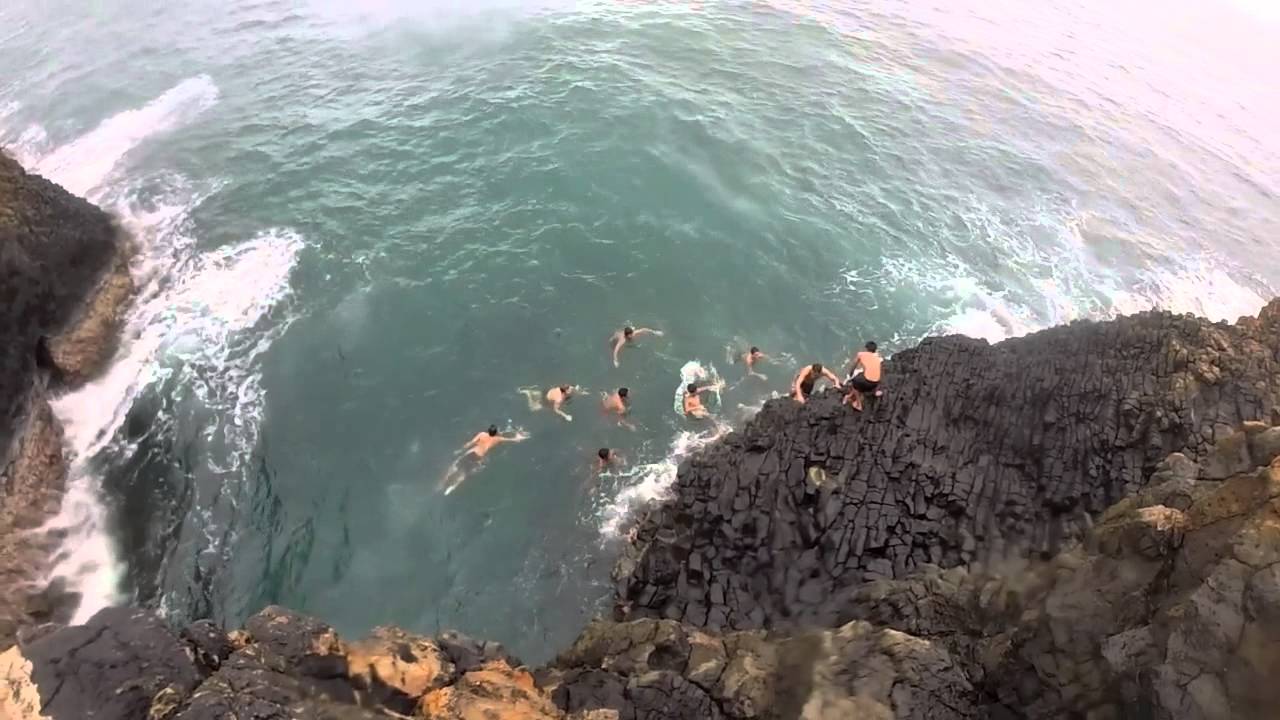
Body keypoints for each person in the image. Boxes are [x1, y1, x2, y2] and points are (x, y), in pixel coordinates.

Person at [441, 425, 529, 494]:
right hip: (479, 457)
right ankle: (451, 488)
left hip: (473, 452)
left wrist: (460, 450)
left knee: (455, 465)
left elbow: (470, 443)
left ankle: (443, 483)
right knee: (465, 473)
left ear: (489, 431)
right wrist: (519, 437)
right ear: (495, 433)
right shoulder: (498, 439)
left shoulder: (482, 434)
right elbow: (513, 440)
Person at [844, 341, 882, 412]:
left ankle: (859, 405)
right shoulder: (877, 356)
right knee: (868, 374)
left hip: (868, 383)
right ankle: (875, 392)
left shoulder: (860, 354)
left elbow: (853, 366)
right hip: (876, 383)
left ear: (866, 348)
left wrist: (850, 375)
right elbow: (878, 369)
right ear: (875, 350)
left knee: (854, 382)